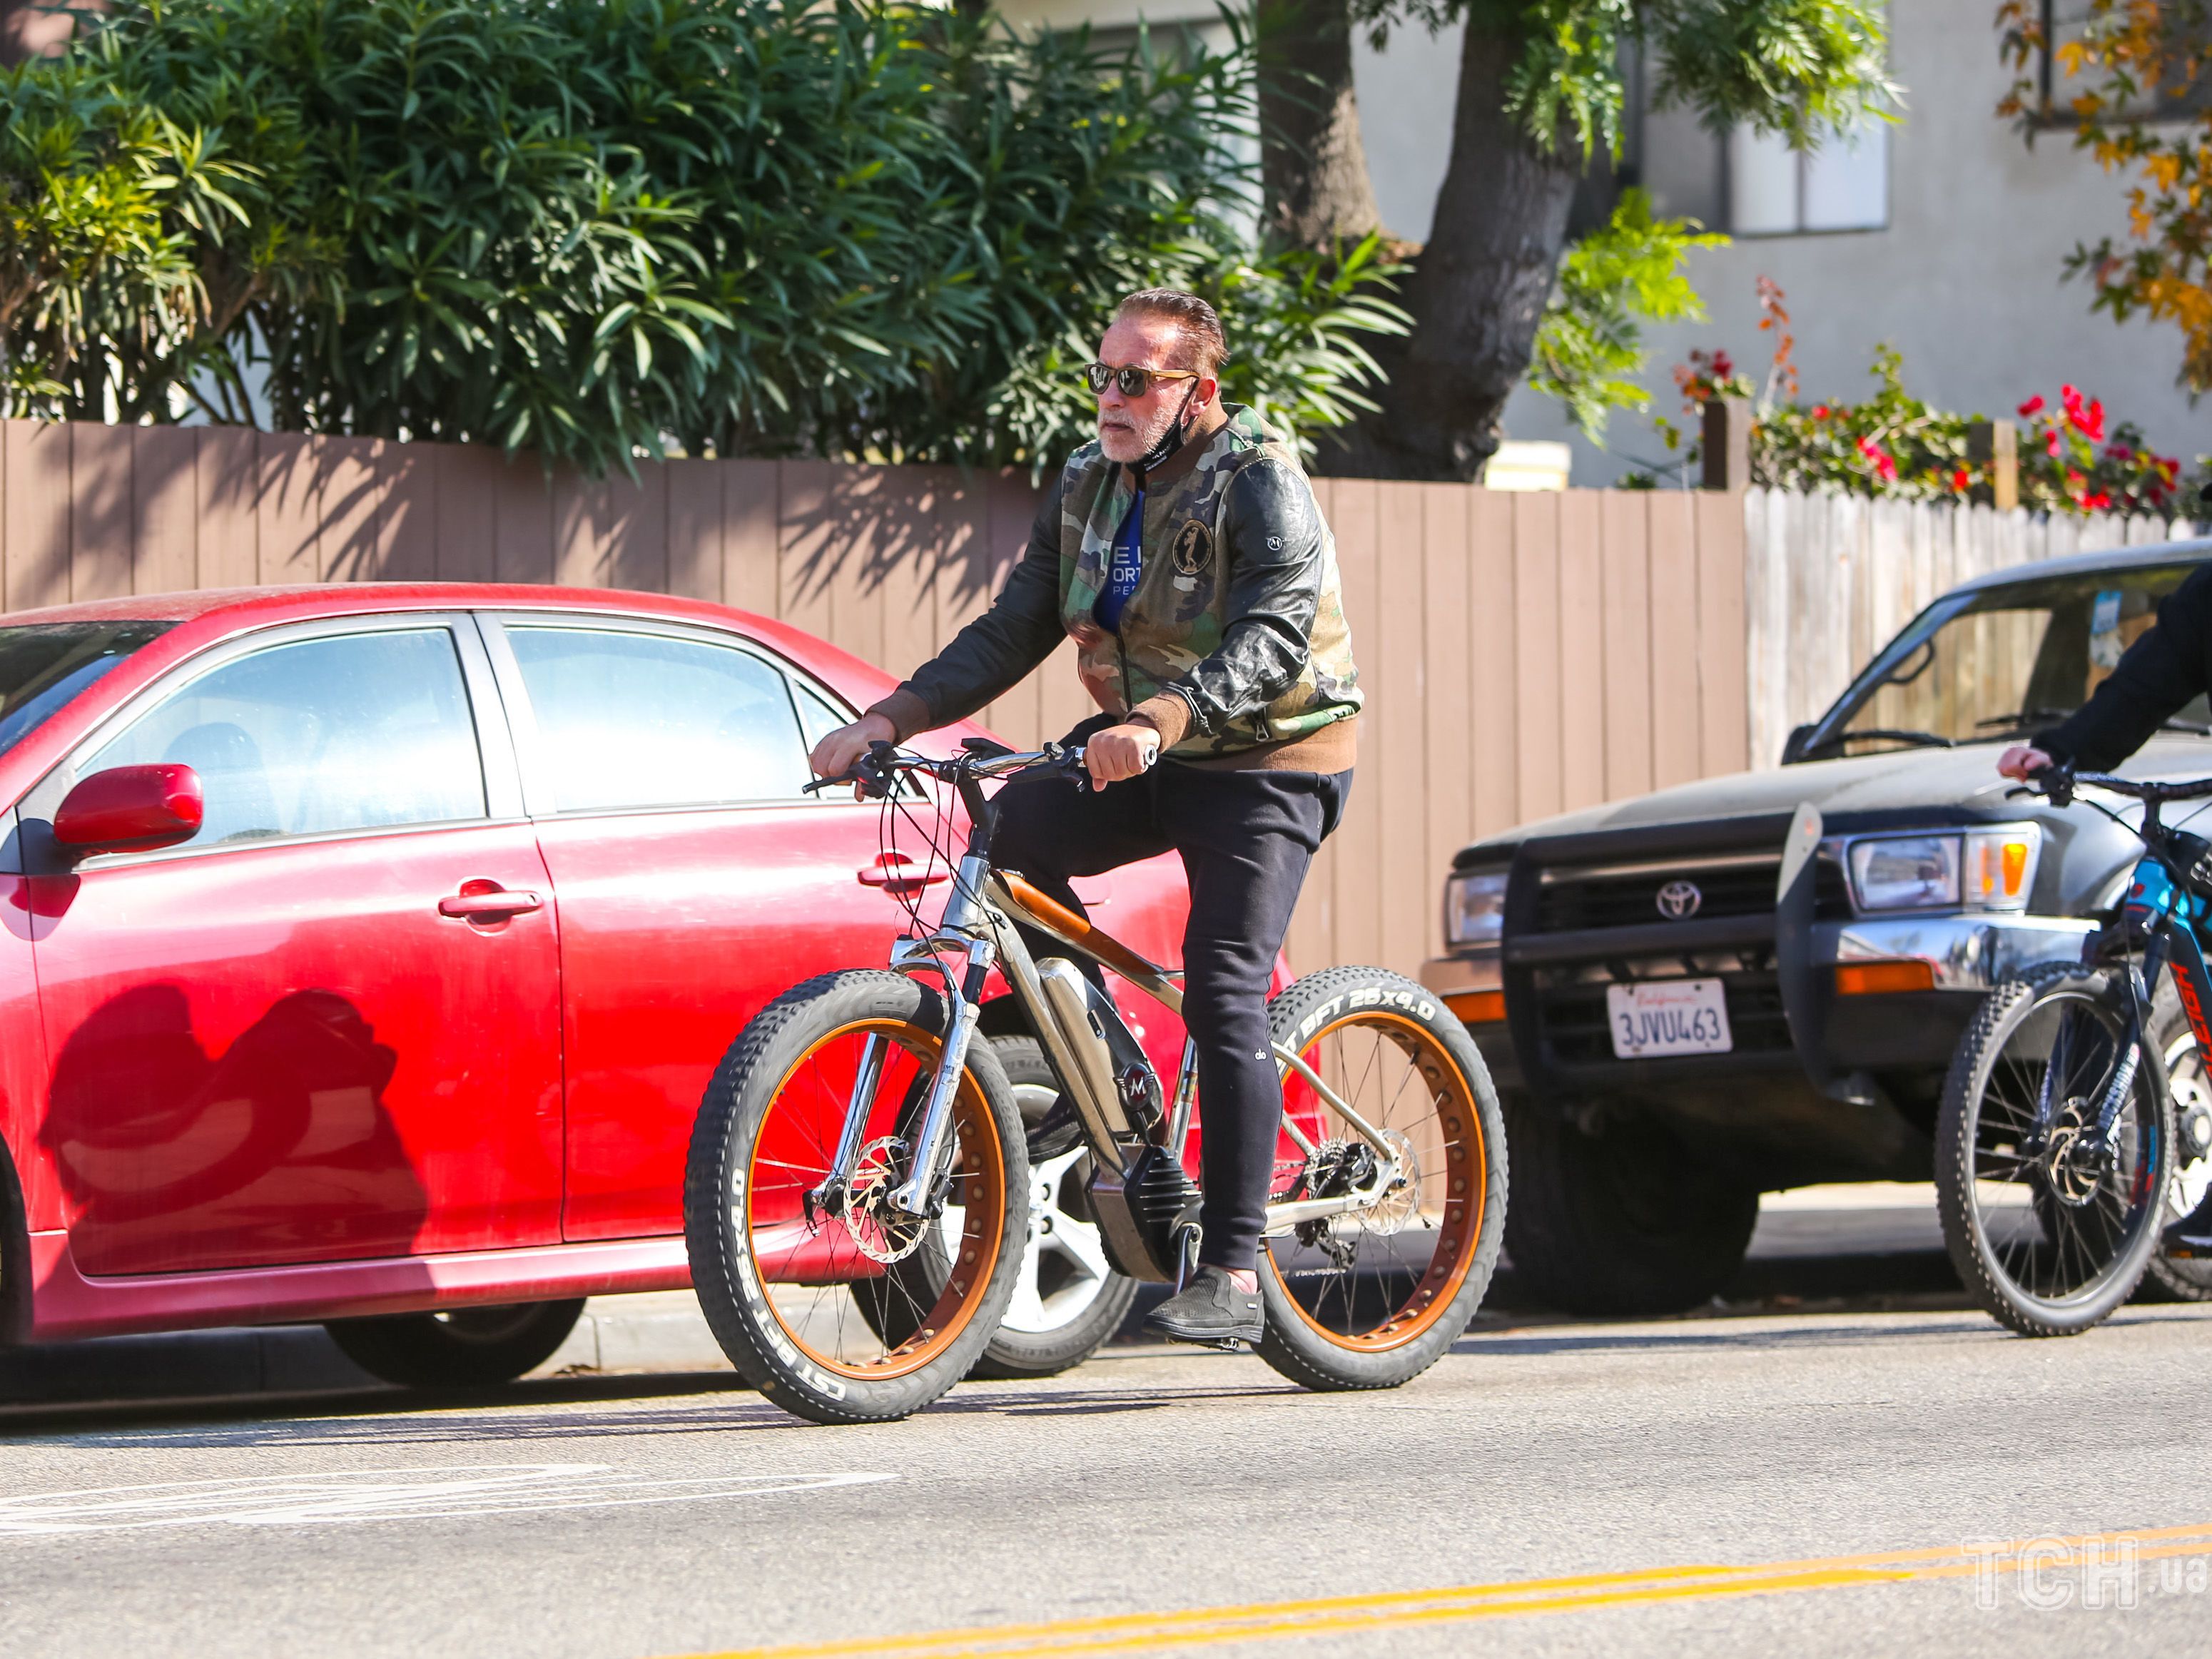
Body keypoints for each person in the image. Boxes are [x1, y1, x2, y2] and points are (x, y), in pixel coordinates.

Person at [808, 288, 1361, 1346]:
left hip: (1269, 757)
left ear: (1198, 390)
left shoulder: (1261, 481)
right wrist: (890, 717)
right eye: (1103, 375)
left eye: (1137, 379)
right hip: (1148, 742)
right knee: (1013, 835)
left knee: (1226, 982)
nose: (1111, 397)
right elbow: (1016, 623)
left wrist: (1164, 716)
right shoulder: (1088, 482)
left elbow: (1274, 636)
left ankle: (1237, 1268)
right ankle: (1112, 1070)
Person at [1998, 560, 2212, 1255]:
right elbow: (2142, 686)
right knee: (2142, 918)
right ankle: (2082, 1154)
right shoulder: (2205, 599)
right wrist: (2058, 752)